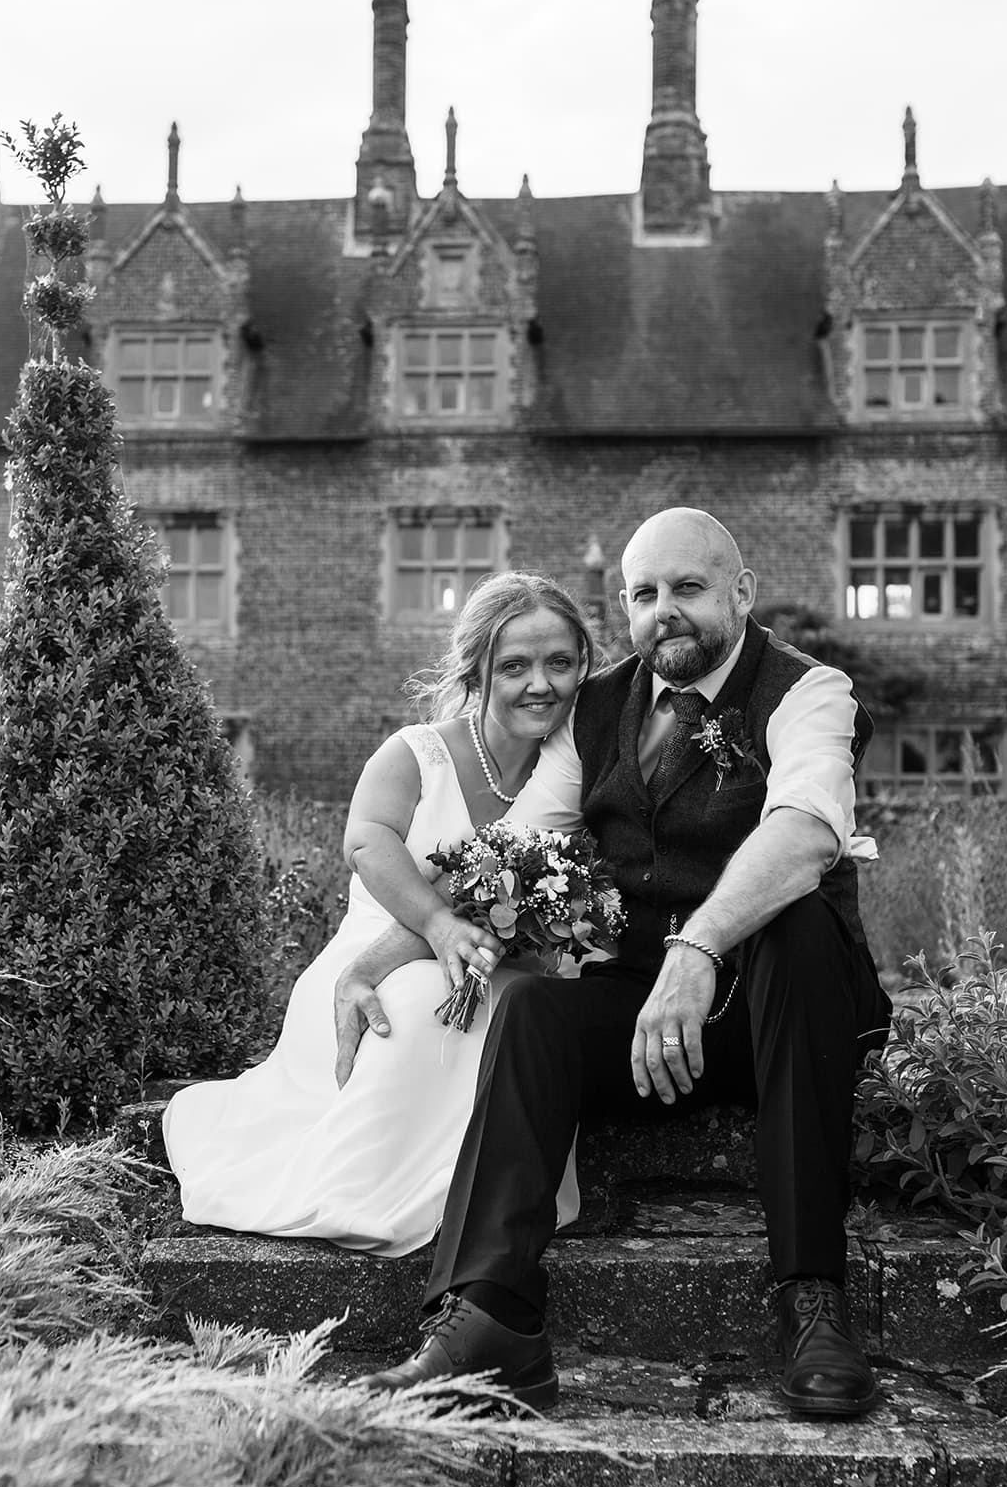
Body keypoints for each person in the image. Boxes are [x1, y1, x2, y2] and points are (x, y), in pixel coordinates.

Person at [350, 508, 894, 1417]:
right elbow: (521, 851)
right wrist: (382, 955)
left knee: (797, 929)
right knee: (532, 1010)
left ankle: (813, 1302)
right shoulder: (600, 705)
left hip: (783, 1018)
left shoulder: (808, 691)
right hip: (648, 1023)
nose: (664, 613)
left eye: (687, 588)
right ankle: (490, 1321)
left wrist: (696, 950)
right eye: (645, 595)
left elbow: (805, 835)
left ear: (741, 592)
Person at [162, 572, 598, 1255]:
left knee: (524, 1013)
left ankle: (483, 1200)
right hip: (374, 961)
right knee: (426, 994)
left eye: (559, 664)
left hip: (506, 969)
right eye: (514, 666)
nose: (539, 684)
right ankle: (358, 1191)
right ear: (477, 670)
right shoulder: (418, 754)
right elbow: (366, 841)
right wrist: (437, 924)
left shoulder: (576, 768)